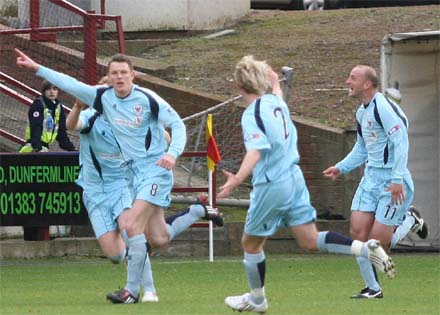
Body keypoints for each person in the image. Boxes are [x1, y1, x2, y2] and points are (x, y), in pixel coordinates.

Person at [15, 48, 221, 304]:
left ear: (133, 75)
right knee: (158, 238)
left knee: (131, 225)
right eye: (114, 73)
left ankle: (133, 291)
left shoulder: (148, 98)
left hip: (156, 171)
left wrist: (173, 153)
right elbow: (71, 85)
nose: (119, 77)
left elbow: (177, 125)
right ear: (109, 77)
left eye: (124, 72)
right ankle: (197, 211)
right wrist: (37, 68)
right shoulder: (102, 99)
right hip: (132, 175)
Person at [218, 56, 395, 314]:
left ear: (239, 86)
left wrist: (237, 178)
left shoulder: (251, 114)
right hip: (295, 179)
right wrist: (269, 74)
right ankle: (364, 249)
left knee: (250, 243)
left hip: (272, 184)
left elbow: (256, 149)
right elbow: (276, 88)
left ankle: (257, 299)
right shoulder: (275, 102)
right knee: (309, 240)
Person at [323, 65, 425, 299]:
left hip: (392, 180)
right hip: (370, 179)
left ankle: (411, 219)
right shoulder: (361, 112)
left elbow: (401, 142)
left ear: (367, 84)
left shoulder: (383, 108)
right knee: (357, 233)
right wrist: (341, 167)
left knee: (378, 244)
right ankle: (373, 289)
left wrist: (398, 178)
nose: (348, 81)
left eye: (353, 78)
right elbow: (361, 148)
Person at [19, 80, 76, 238]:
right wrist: (37, 147)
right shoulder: (38, 105)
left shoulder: (58, 108)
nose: (52, 92)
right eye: (49, 89)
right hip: (33, 150)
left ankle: (42, 229)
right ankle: (32, 232)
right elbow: (36, 127)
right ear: (43, 91)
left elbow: (61, 134)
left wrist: (72, 149)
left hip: (45, 150)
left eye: (55, 89)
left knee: (43, 193)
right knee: (32, 193)